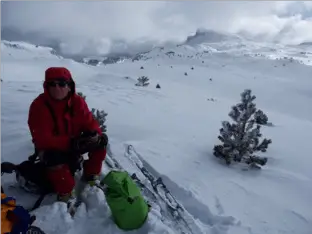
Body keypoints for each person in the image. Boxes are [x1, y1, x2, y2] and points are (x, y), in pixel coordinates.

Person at [27, 67, 108, 209]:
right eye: (52, 84)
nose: (57, 87)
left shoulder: (78, 102)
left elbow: (90, 122)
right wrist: (71, 143)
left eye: (62, 83)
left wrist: (94, 134)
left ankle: (91, 176)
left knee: (101, 141)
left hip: (75, 143)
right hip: (53, 148)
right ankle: (65, 193)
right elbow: (42, 139)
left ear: (69, 86)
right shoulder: (39, 106)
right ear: (46, 87)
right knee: (54, 159)